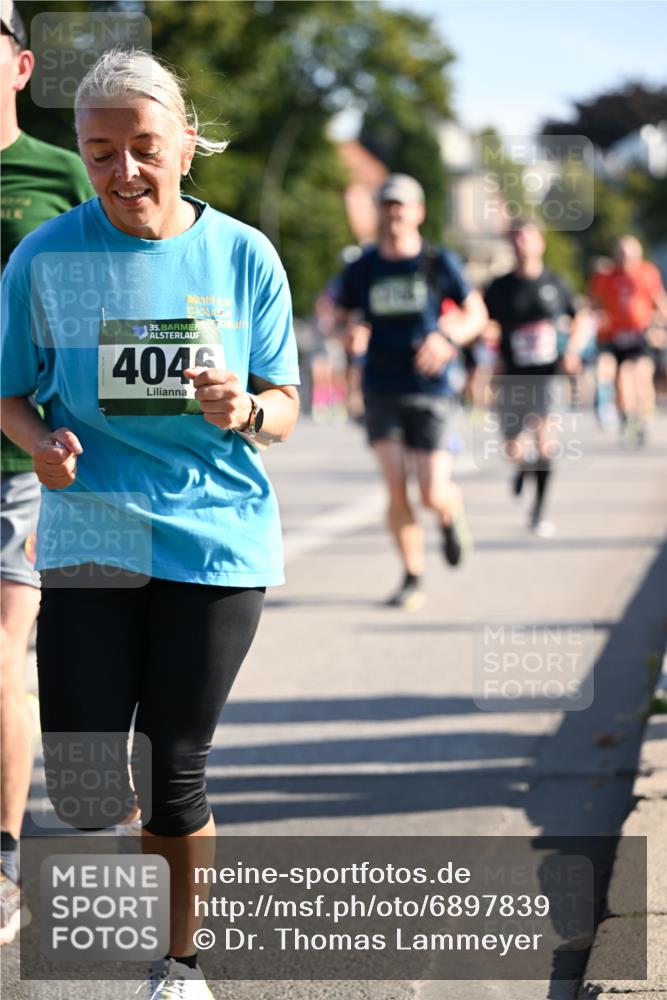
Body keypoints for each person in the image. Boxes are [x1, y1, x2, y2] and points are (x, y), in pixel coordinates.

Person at [0, 47, 300, 999]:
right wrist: (43, 444)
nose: (123, 172)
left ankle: (181, 962)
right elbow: (8, 392)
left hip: (215, 537)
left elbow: (287, 399)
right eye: (99, 153)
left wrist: (244, 410)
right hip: (95, 533)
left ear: (184, 144)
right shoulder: (46, 256)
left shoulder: (242, 253)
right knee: (91, 793)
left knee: (177, 770)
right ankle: (140, 812)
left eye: (142, 147)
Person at [0, 0, 95, 947]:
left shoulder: (60, 174)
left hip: (14, 456)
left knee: (3, 648)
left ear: (21, 67)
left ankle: (1, 856)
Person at [336, 174, 487, 610]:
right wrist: (351, 335)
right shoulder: (362, 267)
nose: (394, 213)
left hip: (431, 389)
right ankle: (412, 575)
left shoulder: (439, 262)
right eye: (386, 205)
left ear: (418, 212)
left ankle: (449, 510)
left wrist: (448, 339)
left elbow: (476, 312)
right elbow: (339, 317)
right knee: (396, 489)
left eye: (402, 205)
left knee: (431, 491)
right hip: (381, 387)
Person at [484, 220, 587, 537]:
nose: (521, 244)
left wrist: (572, 349)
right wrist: (490, 352)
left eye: (527, 238)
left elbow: (580, 317)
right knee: (512, 449)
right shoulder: (498, 288)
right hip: (512, 375)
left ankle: (539, 510)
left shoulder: (556, 283)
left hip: (547, 373)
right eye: (515, 238)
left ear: (540, 242)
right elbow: (483, 324)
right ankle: (523, 467)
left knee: (545, 441)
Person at [589, 235, 667, 445]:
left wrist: (660, 327)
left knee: (639, 373)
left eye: (631, 254)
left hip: (640, 336)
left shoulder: (647, 273)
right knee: (617, 376)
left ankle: (643, 415)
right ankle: (624, 415)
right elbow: (594, 305)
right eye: (622, 254)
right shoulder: (606, 277)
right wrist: (597, 318)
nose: (626, 258)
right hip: (614, 337)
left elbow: (659, 303)